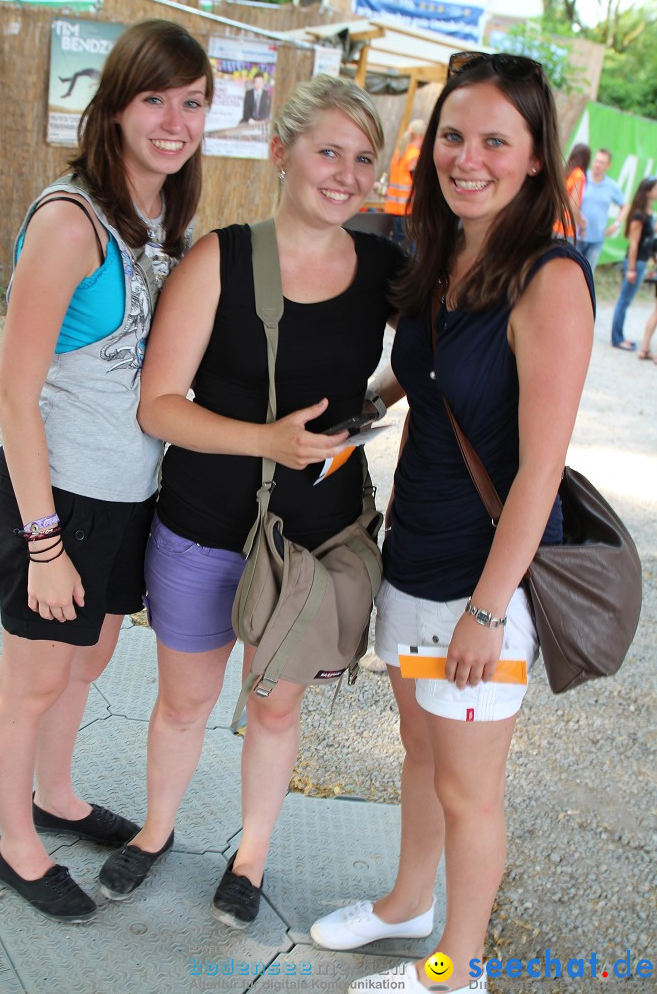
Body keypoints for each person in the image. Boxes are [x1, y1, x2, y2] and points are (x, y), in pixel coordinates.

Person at [310, 52, 595, 994]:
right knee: (424, 752)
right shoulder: (449, 254)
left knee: (471, 790)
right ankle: (407, 906)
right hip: (415, 555)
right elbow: (424, 372)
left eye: (495, 141)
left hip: (483, 583)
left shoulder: (549, 281)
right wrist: (354, 413)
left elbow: (540, 467)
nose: (467, 157)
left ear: (534, 157)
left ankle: (453, 973)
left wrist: (486, 610)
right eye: (454, 136)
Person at [97, 74, 405, 927]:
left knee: (275, 709)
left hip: (313, 542)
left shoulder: (385, 267)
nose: (346, 174)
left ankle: (252, 855)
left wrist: (363, 413)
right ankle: (156, 832)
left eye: (363, 160)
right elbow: (159, 403)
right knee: (187, 701)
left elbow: (425, 356)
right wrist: (267, 441)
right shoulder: (220, 258)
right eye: (328, 152)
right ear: (282, 153)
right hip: (203, 529)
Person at [0, 19, 213, 922]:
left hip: (128, 496)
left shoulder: (158, 219)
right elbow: (11, 394)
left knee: (89, 659)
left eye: (191, 102)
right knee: (32, 679)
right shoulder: (72, 222)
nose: (173, 119)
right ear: (114, 106)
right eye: (154, 98)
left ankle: (56, 795)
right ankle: (17, 843)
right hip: (58, 498)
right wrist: (43, 544)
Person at [612, 177, 657, 350]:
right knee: (624, 301)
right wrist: (631, 269)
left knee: (626, 301)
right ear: (648, 190)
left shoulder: (649, 211)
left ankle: (619, 336)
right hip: (635, 262)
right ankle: (617, 338)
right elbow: (634, 243)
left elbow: (649, 236)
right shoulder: (638, 214)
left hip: (643, 261)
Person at [577, 147, 628, 269]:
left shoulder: (611, 186)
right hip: (576, 236)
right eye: (597, 161)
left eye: (602, 162)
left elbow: (625, 206)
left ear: (608, 166)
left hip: (596, 239)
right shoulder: (582, 178)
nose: (598, 165)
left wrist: (616, 224)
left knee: (587, 274)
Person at [384, 118, 425, 245]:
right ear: (421, 136)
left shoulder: (399, 153)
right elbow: (420, 182)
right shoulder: (415, 155)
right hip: (408, 210)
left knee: (397, 244)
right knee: (409, 251)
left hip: (394, 207)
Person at [553, 142, 590, 238]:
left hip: (552, 222)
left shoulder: (565, 172)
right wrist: (582, 226)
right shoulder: (579, 176)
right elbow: (573, 207)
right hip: (564, 229)